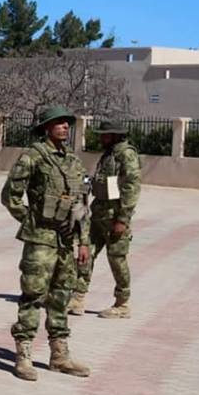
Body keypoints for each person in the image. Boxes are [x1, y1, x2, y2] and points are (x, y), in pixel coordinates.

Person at [0, 105, 92, 381]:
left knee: (61, 295)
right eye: (59, 123)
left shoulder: (73, 160)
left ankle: (59, 355)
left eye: (66, 123)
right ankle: (23, 354)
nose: (65, 127)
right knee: (33, 295)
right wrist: (30, 220)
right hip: (40, 239)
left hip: (66, 239)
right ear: (46, 128)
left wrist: (83, 241)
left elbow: (82, 204)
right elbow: (10, 196)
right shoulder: (32, 157)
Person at [70, 119, 141, 319]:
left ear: (116, 135)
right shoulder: (109, 154)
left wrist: (123, 219)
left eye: (105, 135)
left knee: (117, 259)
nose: (102, 138)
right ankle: (78, 297)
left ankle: (122, 303)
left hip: (115, 216)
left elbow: (131, 187)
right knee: (86, 253)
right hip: (98, 213)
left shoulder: (126, 155)